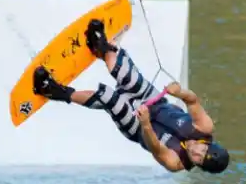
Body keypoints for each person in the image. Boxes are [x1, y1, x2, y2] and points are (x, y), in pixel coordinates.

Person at [32, 18, 230, 174]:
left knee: (108, 97)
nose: (196, 152)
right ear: (208, 144)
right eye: (202, 151)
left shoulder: (176, 162)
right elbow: (192, 100)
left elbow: (156, 148)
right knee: (126, 76)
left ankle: (55, 91)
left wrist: (145, 124)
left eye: (198, 159)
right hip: (155, 100)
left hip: (137, 128)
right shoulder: (204, 127)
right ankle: (101, 47)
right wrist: (179, 92)